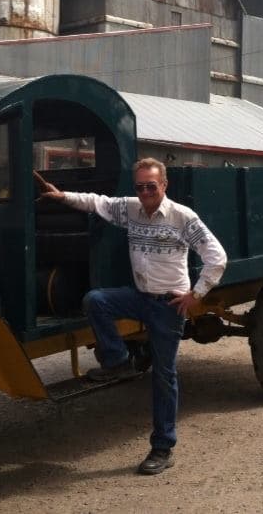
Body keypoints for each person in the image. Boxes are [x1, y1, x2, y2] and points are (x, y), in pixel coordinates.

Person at [37, 157, 227, 476]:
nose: (145, 192)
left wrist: (196, 295)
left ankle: (163, 447)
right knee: (96, 300)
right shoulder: (131, 209)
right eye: (140, 187)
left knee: (164, 375)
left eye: (151, 186)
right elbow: (97, 203)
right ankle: (117, 361)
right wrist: (61, 197)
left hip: (169, 306)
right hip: (140, 297)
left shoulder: (183, 217)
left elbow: (217, 257)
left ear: (163, 186)